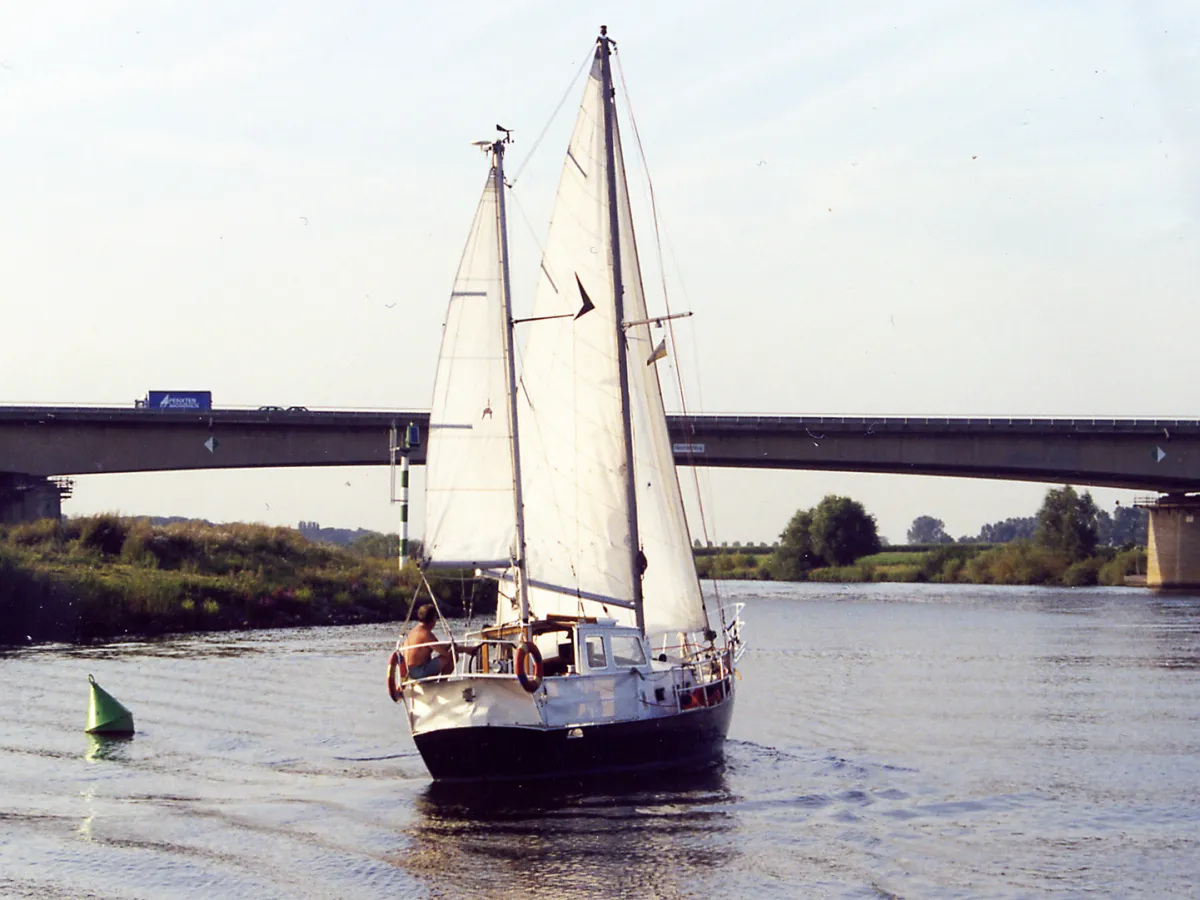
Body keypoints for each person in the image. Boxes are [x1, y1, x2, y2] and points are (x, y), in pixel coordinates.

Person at [403, 604, 454, 679]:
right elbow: (446, 653)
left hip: (409, 672)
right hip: (418, 672)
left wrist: (464, 649)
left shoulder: (413, 631)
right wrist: (455, 649)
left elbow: (440, 647)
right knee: (453, 656)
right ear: (432, 619)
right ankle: (443, 683)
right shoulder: (426, 634)